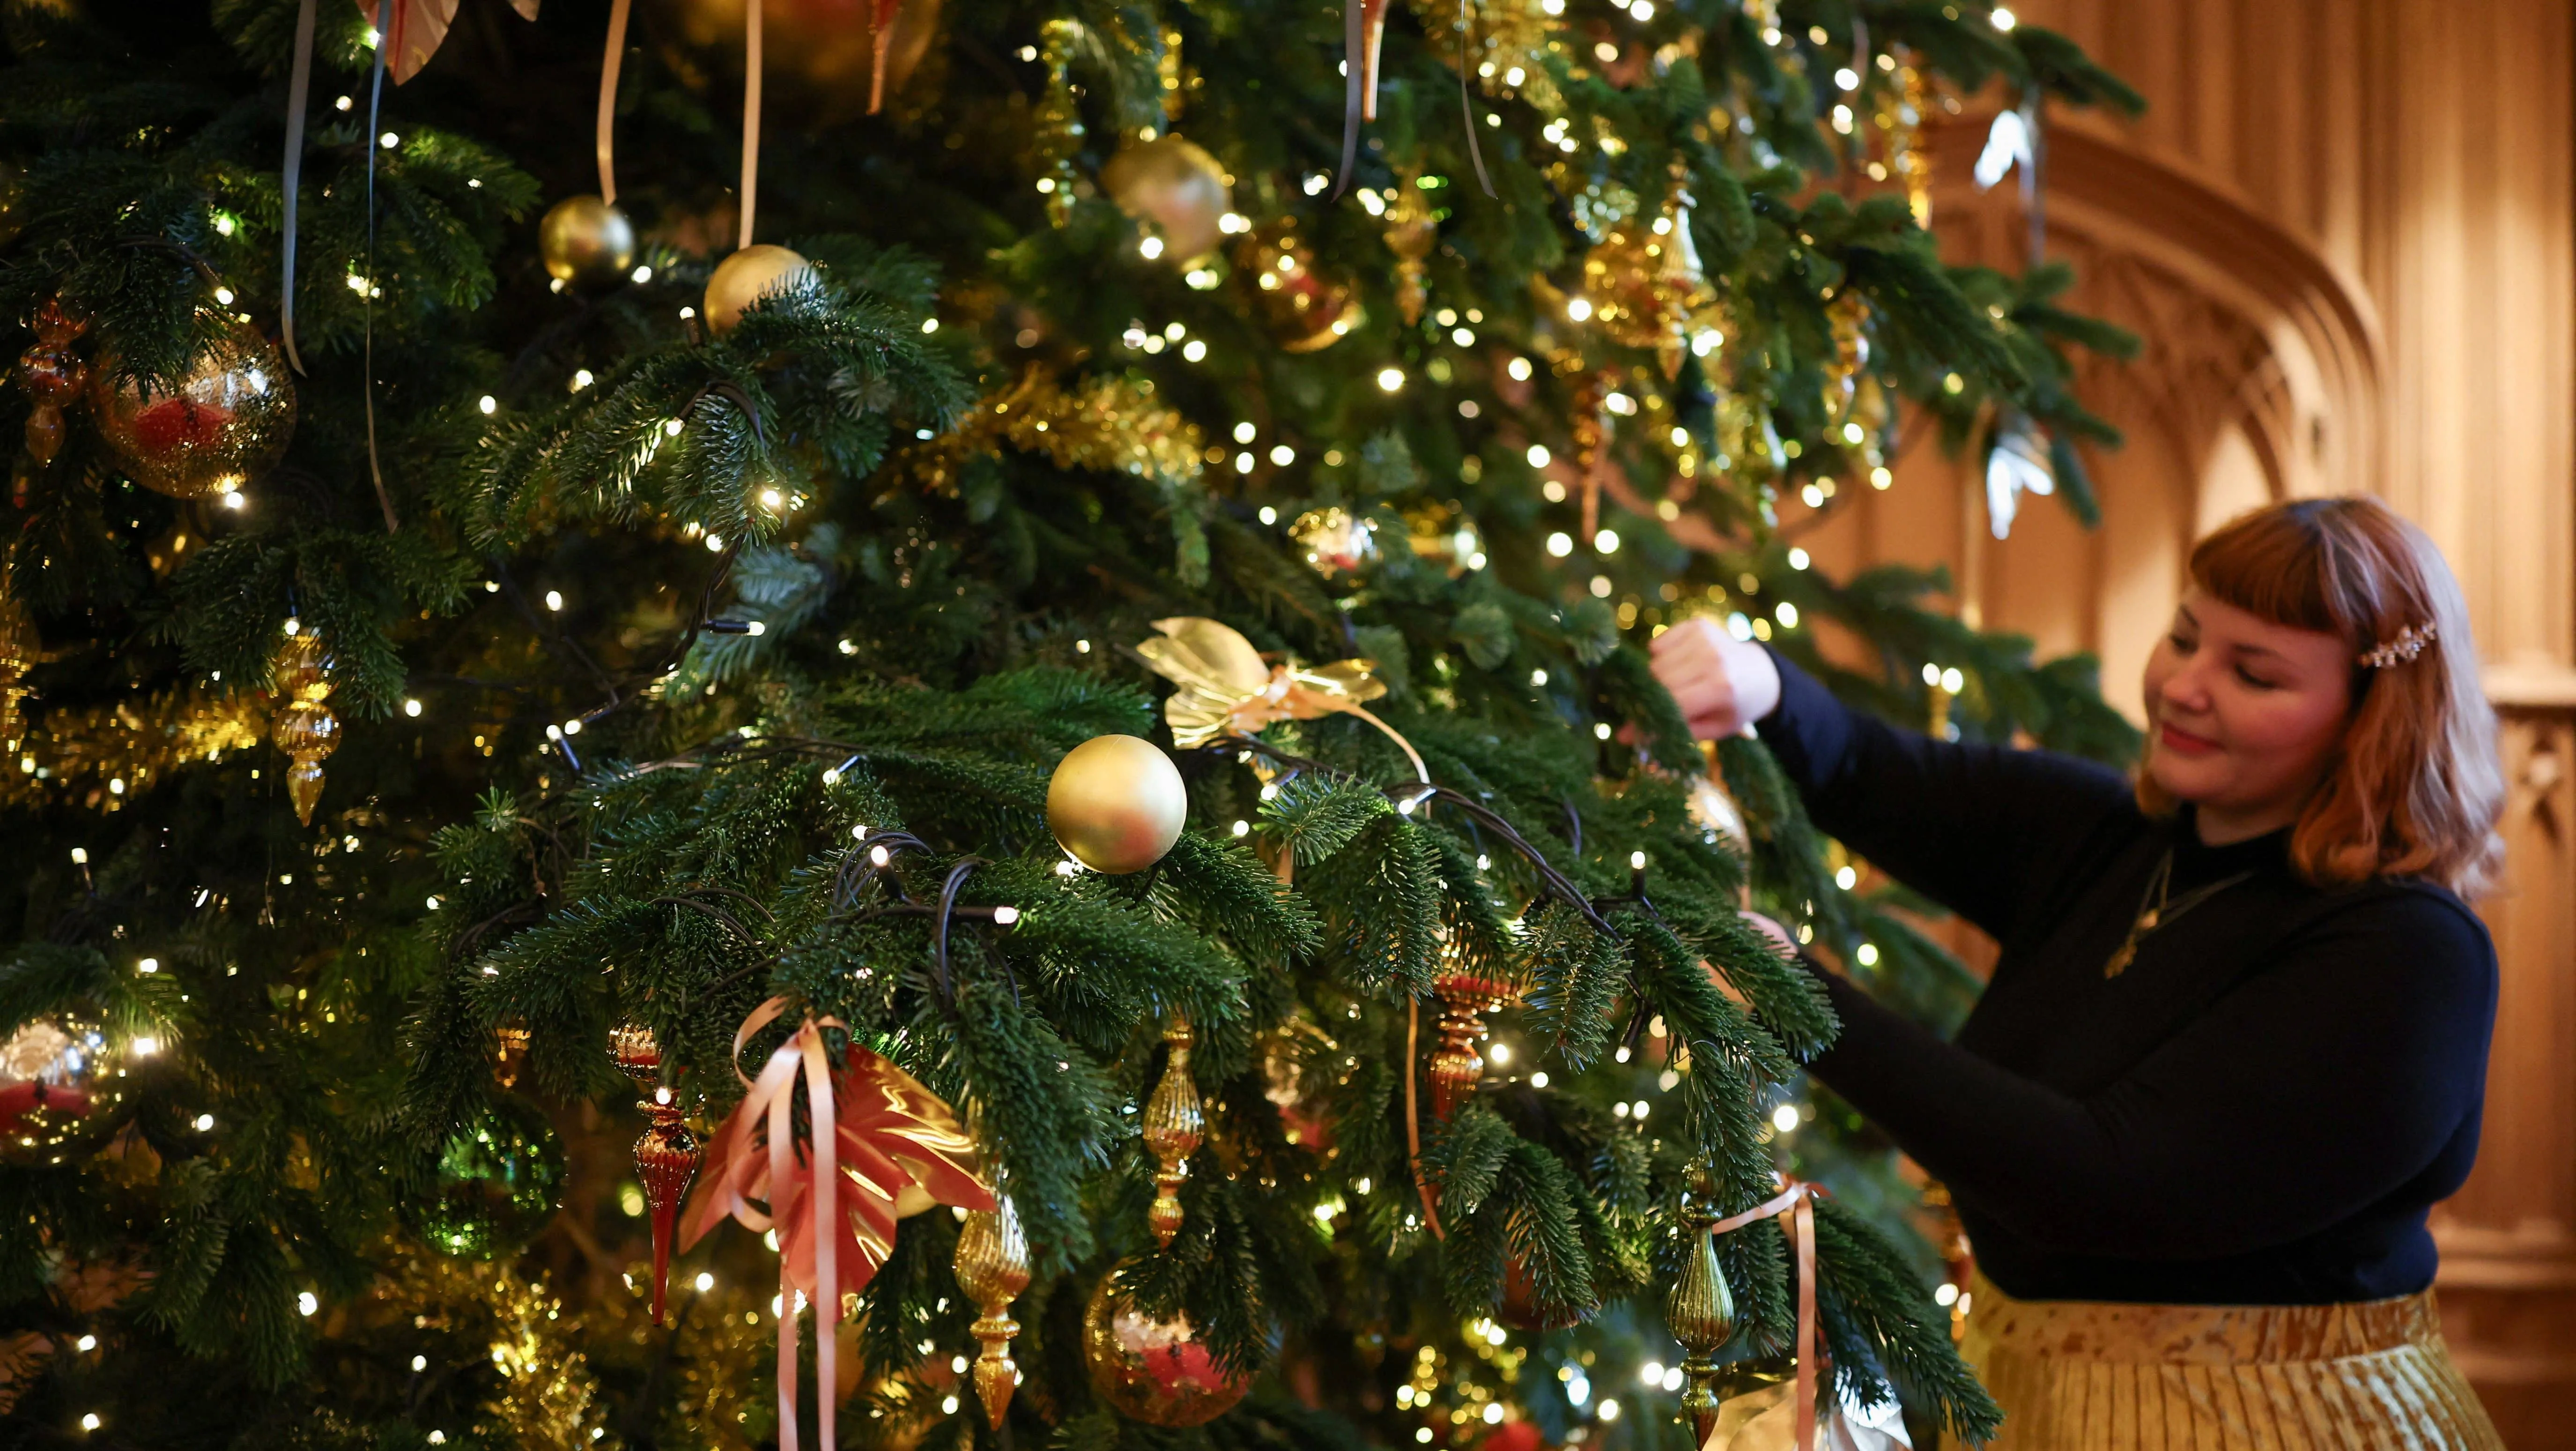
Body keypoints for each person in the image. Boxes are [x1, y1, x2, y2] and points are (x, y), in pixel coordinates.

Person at [1650, 496, 2507, 1450]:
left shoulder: (2405, 953)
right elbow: (1865, 767)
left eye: (2251, 673)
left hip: (2278, 1421)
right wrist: (1754, 679)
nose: (2183, 686)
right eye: (2183, 638)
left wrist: (1798, 1000)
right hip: (2036, 1399)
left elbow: (2100, 1185)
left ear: (2368, 723)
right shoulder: (2110, 839)